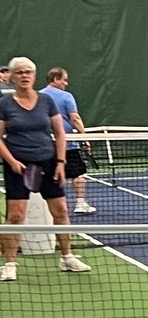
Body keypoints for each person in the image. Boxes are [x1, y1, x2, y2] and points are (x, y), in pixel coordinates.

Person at [0, 57, 92, 282]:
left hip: (49, 163)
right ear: (12, 77)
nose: (24, 75)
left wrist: (60, 163)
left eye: (28, 72)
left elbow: (60, 133)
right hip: (19, 165)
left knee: (60, 211)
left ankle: (67, 257)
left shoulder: (46, 101)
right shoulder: (4, 104)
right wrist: (11, 161)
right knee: (15, 216)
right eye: (19, 72)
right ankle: (10, 263)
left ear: (33, 75)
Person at [40, 67, 95, 215]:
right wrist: (84, 138)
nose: (66, 83)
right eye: (64, 79)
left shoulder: (38, 96)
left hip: (45, 144)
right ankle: (80, 203)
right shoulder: (66, 96)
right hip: (68, 143)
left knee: (48, 175)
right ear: (56, 80)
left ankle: (47, 206)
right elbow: (75, 118)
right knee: (78, 174)